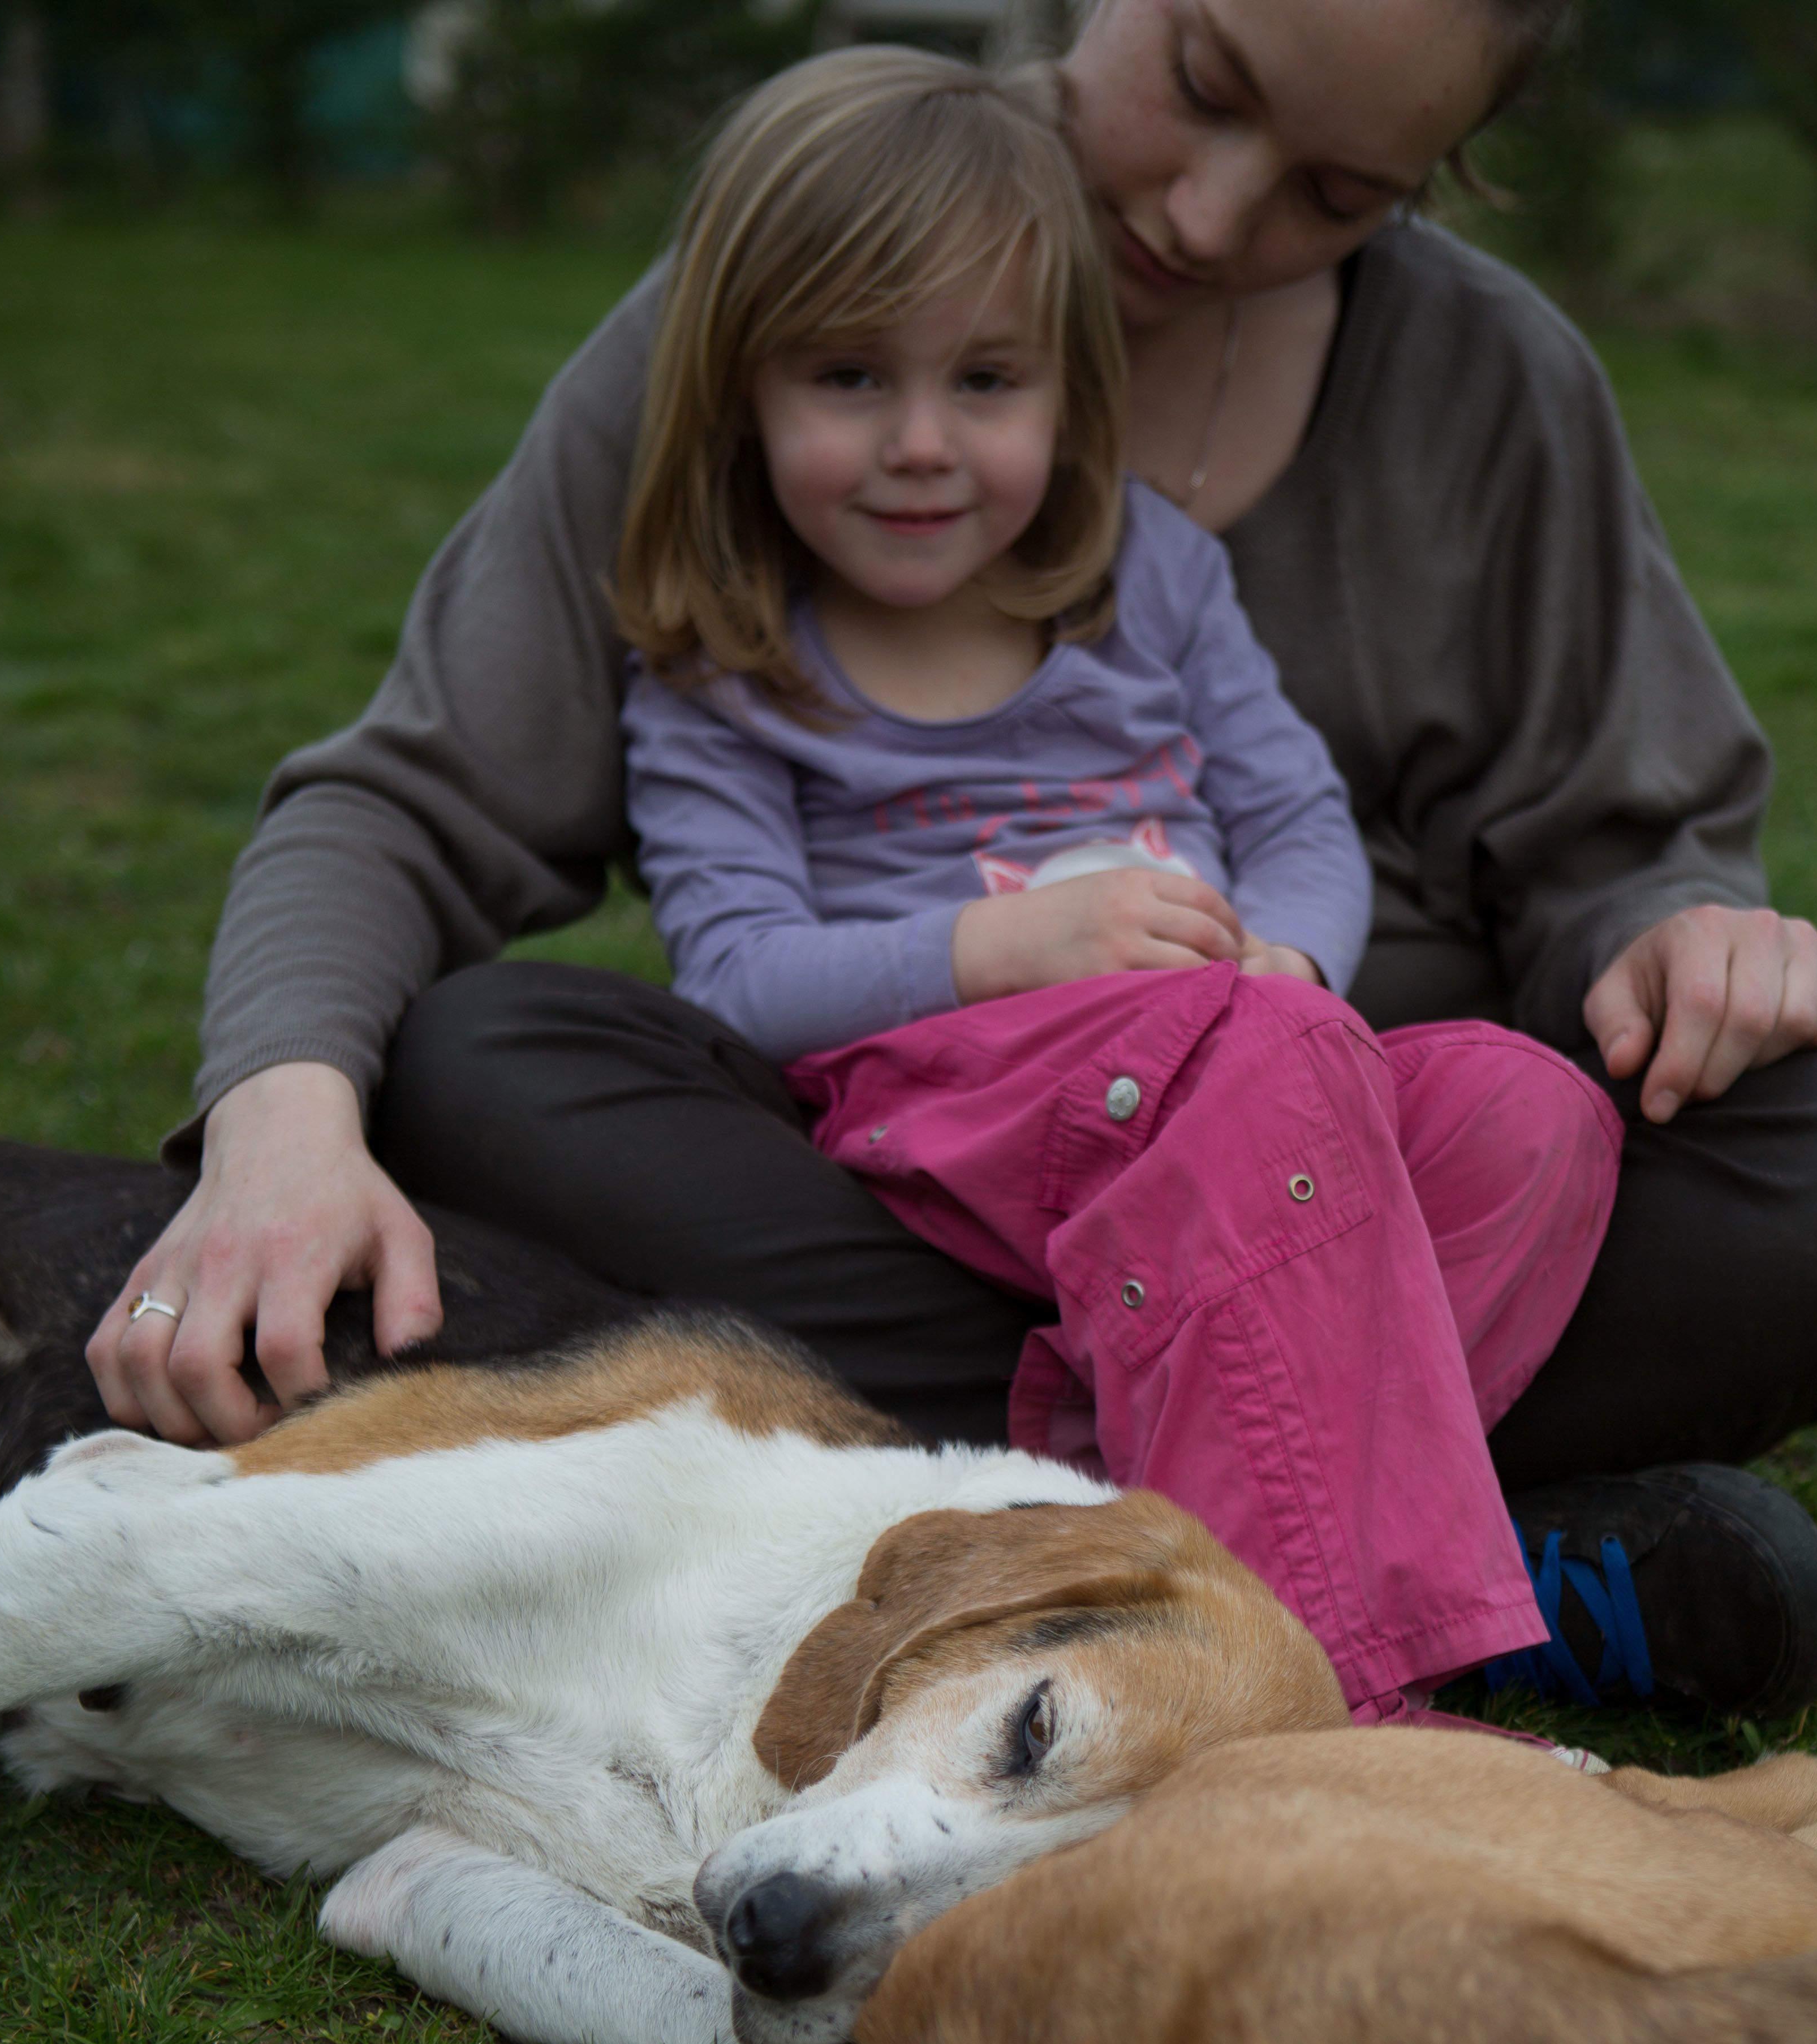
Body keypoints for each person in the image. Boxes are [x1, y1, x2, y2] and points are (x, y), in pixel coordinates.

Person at [90, 0, 1817, 1720]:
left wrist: (1675, 930)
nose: (1212, 217)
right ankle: (1438, 1561)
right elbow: (413, 806)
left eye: (1336, 194)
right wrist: (280, 1127)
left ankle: (1060, 1529)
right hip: (914, 1173)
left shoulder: (1484, 391)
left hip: (1356, 1140)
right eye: (1205, 84)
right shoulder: (798, 254)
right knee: (473, 1055)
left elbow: (1607, 846)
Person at [616, 50, 1628, 1720]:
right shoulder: (726, 664)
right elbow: (734, 976)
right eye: (851, 378)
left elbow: (1299, 822)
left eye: (987, 381)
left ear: (1071, 387)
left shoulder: (1151, 574)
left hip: (1234, 1079)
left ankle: (1116, 1500)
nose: (922, 445)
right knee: (1274, 1074)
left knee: (1530, 1112)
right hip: (957, 1108)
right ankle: (1338, 1703)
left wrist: (1293, 968)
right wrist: (1002, 944)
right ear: (741, 390)